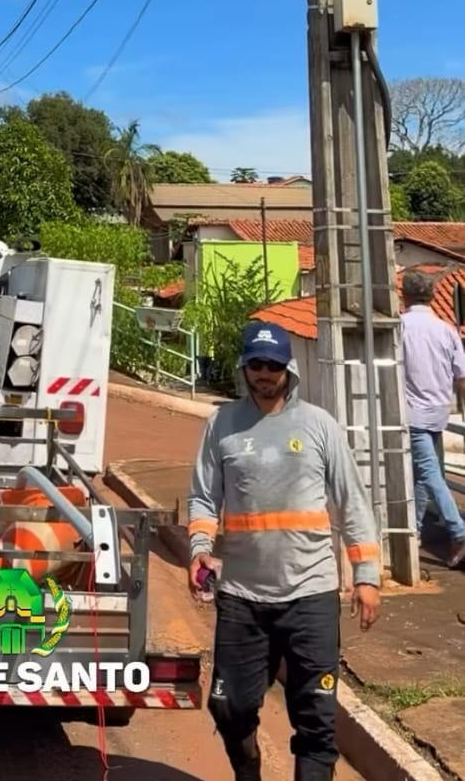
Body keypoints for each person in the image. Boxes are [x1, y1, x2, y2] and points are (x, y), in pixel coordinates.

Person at [187, 320, 381, 781]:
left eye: (273, 365)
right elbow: (202, 497)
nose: (265, 374)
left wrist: (367, 575)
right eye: (256, 364)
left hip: (310, 594)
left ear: (288, 369)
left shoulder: (318, 426)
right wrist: (199, 548)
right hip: (241, 596)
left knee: (316, 722)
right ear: (243, 367)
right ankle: (248, 765)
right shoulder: (222, 425)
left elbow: (352, 500)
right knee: (228, 707)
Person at [400, 268, 465, 567]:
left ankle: (459, 532)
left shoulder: (400, 327)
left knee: (429, 474)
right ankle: (414, 531)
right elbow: (461, 375)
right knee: (422, 474)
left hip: (413, 414)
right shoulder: (446, 330)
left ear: (405, 295)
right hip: (439, 411)